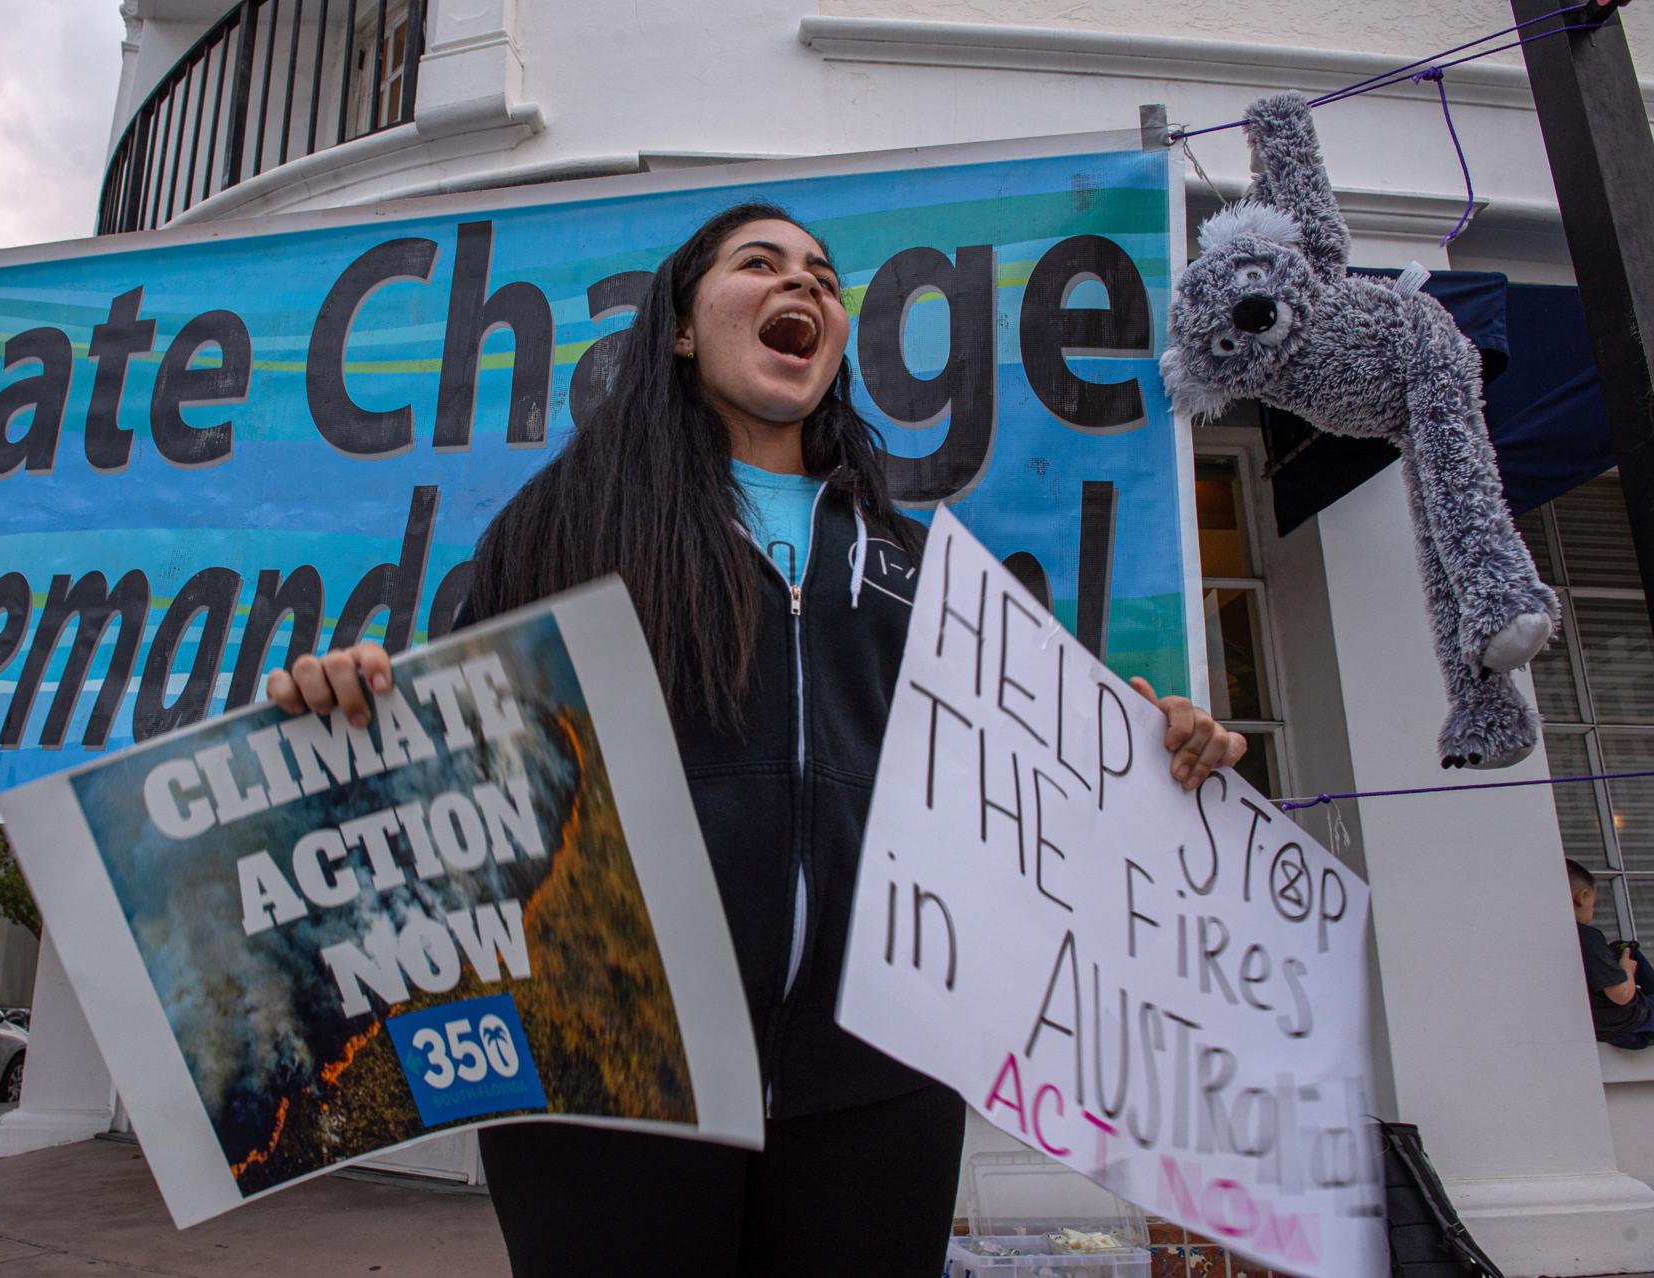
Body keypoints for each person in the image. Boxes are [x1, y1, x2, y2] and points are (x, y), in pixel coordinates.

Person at [267, 203, 1246, 1276]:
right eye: (760, 264)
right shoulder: (562, 522)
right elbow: (458, 766)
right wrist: (352, 700)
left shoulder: (924, 562)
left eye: (824, 278)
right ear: (682, 329)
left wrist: (1160, 748)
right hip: (612, 1075)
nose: (805, 288)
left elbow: (1023, 784)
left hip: (881, 1078)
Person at [1566, 859, 1654, 1050]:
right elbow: (1622, 994)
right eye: (1593, 904)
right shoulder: (1587, 937)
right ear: (1583, 896)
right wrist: (1626, 970)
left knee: (1621, 948)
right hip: (1626, 1023)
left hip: (1598, 1026)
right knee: (1629, 954)